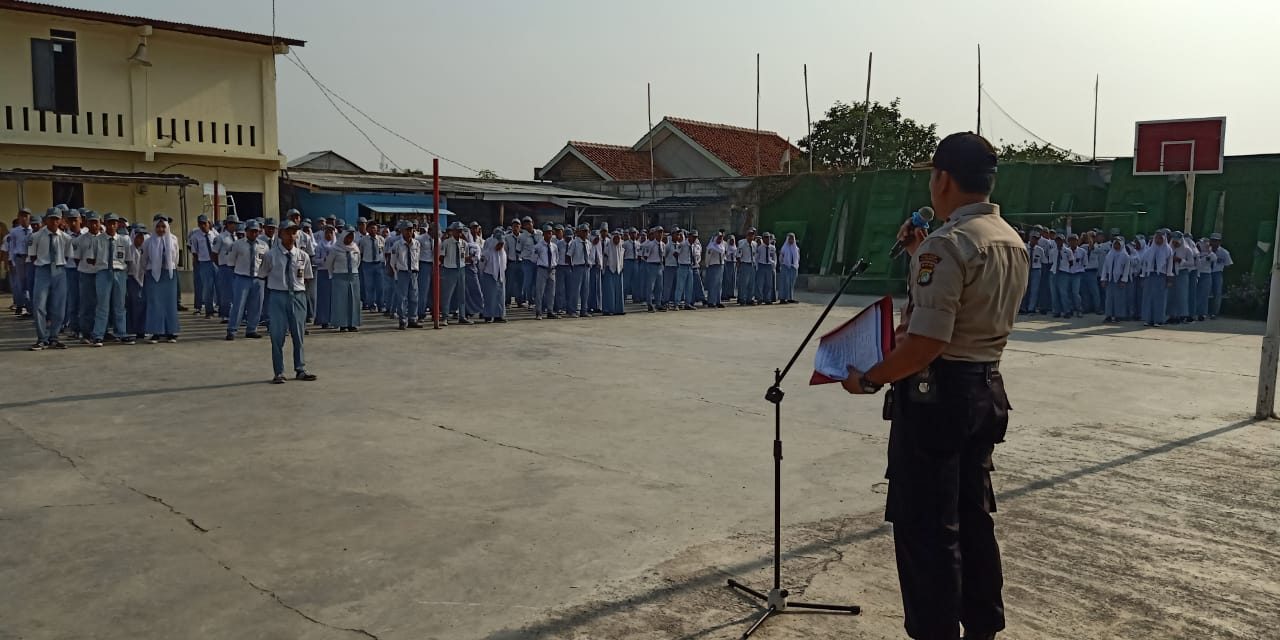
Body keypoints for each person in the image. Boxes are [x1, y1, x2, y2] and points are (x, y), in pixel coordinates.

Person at [842, 132, 1025, 640]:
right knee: (972, 517)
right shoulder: (1005, 237)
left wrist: (871, 378)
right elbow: (963, 310)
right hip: (985, 388)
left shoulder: (949, 245)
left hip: (937, 397)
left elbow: (926, 343)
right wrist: (920, 253)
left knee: (926, 529)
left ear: (942, 179)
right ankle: (983, 626)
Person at [260, 221, 317, 383]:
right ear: (281, 234)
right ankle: (279, 372)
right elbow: (263, 274)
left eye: (294, 232)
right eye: (288, 232)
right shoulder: (271, 255)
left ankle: (300, 368)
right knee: (277, 335)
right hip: (278, 296)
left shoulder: (302, 255)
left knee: (298, 334)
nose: (292, 236)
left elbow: (306, 278)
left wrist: (299, 294)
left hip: (298, 296)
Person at [27, 208, 72, 350]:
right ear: (46, 220)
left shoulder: (66, 238)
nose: (54, 221)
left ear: (61, 220)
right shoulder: (36, 236)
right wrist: (44, 264)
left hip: (59, 270)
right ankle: (42, 338)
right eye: (51, 218)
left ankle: (54, 336)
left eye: (56, 219)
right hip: (43, 270)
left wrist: (57, 264)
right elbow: (32, 256)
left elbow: (66, 256)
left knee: (59, 306)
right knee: (39, 305)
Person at [89, 214, 132, 346]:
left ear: (118, 224)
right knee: (102, 305)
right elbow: (90, 258)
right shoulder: (97, 239)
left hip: (119, 272)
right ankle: (98, 335)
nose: (112, 226)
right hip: (103, 273)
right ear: (105, 223)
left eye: (115, 223)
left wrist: (123, 272)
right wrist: (101, 264)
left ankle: (122, 333)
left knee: (120, 305)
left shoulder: (124, 240)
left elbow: (129, 259)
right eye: (109, 223)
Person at [141, 216, 181, 343]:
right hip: (153, 274)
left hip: (169, 274)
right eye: (158, 226)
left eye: (163, 226)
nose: (161, 229)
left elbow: (176, 258)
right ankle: (156, 332)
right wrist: (150, 270)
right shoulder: (148, 241)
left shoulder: (173, 239)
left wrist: (170, 268)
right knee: (155, 303)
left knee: (170, 303)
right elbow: (144, 259)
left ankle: (171, 332)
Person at [227, 220, 268, 340]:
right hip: (242, 277)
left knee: (256, 305)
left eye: (256, 231)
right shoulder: (238, 244)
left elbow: (267, 262)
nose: (254, 233)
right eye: (251, 231)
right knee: (238, 305)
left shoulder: (263, 245)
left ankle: (252, 329)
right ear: (246, 231)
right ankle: (232, 330)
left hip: (258, 278)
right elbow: (231, 262)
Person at [325, 227, 362, 332]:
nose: (349, 239)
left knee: (353, 300)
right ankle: (342, 324)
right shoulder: (335, 248)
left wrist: (354, 271)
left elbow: (358, 261)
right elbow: (329, 264)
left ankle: (352, 323)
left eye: (351, 237)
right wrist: (332, 275)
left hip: (353, 276)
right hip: (339, 276)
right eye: (347, 236)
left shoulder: (355, 248)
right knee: (341, 302)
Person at [74, 212, 103, 341]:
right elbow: (76, 258)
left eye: (96, 222)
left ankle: (101, 330)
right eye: (91, 222)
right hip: (86, 274)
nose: (94, 224)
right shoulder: (80, 239)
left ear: (100, 222)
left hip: (101, 274)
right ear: (86, 223)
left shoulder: (104, 238)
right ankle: (86, 331)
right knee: (86, 304)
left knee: (101, 304)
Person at [389, 220, 423, 330]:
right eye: (407, 230)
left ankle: (413, 318)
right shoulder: (397, 245)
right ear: (402, 231)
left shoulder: (416, 243)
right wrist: (396, 273)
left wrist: (416, 270)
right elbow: (393, 261)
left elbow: (417, 258)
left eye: (411, 229)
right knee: (402, 298)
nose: (409, 232)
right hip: (402, 272)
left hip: (413, 272)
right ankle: (402, 320)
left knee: (414, 297)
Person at [439, 221, 471, 325]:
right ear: (452, 231)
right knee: (447, 295)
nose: (459, 233)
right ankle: (445, 316)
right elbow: (441, 257)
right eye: (457, 230)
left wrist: (470, 259)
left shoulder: (464, 243)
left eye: (461, 231)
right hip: (449, 269)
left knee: (462, 294)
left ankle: (462, 316)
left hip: (461, 269)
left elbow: (465, 256)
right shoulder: (446, 243)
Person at [1141, 230, 1174, 327]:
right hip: (1150, 275)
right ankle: (1148, 319)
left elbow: (1169, 265)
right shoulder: (1150, 250)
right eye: (1156, 238)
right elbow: (1144, 264)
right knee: (1148, 297)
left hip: (1161, 276)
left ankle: (1158, 319)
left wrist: (1169, 278)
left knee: (1160, 299)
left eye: (1160, 238)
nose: (1158, 240)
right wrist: (1143, 276)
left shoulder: (1168, 250)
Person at [188, 214, 218, 317]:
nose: (203, 226)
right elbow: (194, 252)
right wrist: (197, 265)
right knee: (207, 287)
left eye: (204, 223)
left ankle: (218, 308)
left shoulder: (214, 234)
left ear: (208, 223)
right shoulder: (195, 236)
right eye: (200, 224)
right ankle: (208, 310)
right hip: (204, 263)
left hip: (215, 262)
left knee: (217, 286)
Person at [216, 215, 241, 323]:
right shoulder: (221, 237)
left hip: (235, 267)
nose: (235, 226)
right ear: (228, 225)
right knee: (225, 292)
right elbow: (214, 253)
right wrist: (220, 264)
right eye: (233, 224)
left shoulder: (236, 237)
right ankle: (225, 314)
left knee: (234, 292)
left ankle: (232, 313)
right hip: (224, 266)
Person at [1099, 236, 1130, 323]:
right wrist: (1103, 278)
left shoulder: (1125, 256)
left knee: (1119, 298)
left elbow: (1126, 269)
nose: (1116, 246)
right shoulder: (1109, 254)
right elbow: (1105, 267)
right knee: (1109, 298)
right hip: (1110, 279)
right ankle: (1108, 315)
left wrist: (1123, 280)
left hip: (1119, 279)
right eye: (1115, 244)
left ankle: (1118, 315)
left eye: (1118, 244)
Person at [480, 230, 509, 323]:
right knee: (490, 296)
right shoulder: (487, 253)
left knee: (500, 296)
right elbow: (481, 266)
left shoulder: (503, 253)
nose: (500, 246)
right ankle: (488, 315)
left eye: (502, 244)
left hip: (500, 276)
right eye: (499, 244)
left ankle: (499, 315)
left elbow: (504, 265)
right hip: (489, 275)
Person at [532, 224, 559, 319]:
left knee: (551, 292)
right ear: (543, 234)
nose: (549, 235)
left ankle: (550, 311)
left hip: (552, 270)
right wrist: (541, 264)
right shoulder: (538, 246)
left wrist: (553, 265)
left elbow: (556, 257)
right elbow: (534, 258)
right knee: (540, 292)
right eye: (547, 233)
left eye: (550, 233)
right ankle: (538, 312)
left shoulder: (554, 246)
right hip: (542, 269)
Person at [126, 225, 148, 339]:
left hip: (144, 279)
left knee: (143, 305)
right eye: (138, 237)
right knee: (133, 305)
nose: (140, 240)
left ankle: (142, 330)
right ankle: (132, 329)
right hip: (132, 280)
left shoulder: (145, 250)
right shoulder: (129, 249)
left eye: (142, 237)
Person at [358, 220, 385, 311]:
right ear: (368, 229)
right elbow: (360, 253)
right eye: (371, 228)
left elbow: (384, 252)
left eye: (375, 227)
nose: (373, 229)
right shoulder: (363, 240)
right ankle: (371, 305)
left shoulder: (381, 239)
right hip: (367, 264)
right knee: (369, 286)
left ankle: (381, 305)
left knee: (380, 286)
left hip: (379, 264)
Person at [601, 230, 626, 315]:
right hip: (609, 270)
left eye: (618, 238)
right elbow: (604, 260)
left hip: (618, 271)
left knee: (619, 291)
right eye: (615, 238)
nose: (617, 240)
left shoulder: (621, 248)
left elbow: (621, 260)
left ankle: (619, 309)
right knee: (609, 291)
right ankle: (608, 309)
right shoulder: (607, 248)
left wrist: (621, 268)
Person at [1208, 233, 1232, 319]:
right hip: (1206, 272)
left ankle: (1214, 313)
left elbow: (1228, 264)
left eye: (1216, 241)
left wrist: (1220, 264)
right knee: (1204, 292)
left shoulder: (1224, 252)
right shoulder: (1206, 250)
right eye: (1212, 240)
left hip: (1217, 273)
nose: (1214, 243)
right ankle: (1202, 311)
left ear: (1220, 242)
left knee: (1217, 293)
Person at [704, 231, 727, 309]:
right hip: (713, 266)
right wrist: (707, 265)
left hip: (721, 265)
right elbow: (707, 257)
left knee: (719, 285)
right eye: (719, 237)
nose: (720, 239)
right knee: (713, 285)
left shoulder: (722, 245)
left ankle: (718, 301)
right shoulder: (711, 246)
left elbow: (724, 254)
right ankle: (711, 301)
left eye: (721, 238)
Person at [1194, 237, 1215, 321]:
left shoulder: (1210, 253)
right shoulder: (1197, 252)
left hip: (1206, 275)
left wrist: (1209, 252)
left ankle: (1202, 313)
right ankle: (1194, 313)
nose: (1204, 245)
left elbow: (1214, 258)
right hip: (1197, 274)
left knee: (1204, 295)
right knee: (1196, 295)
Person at [755, 232, 778, 304]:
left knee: (769, 284)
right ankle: (760, 298)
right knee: (760, 283)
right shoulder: (760, 247)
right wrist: (757, 267)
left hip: (769, 266)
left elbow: (774, 257)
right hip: (761, 265)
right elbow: (757, 258)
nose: (767, 239)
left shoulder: (772, 247)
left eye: (768, 237)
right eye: (765, 237)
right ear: (763, 238)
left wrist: (774, 265)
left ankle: (767, 298)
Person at [778, 232, 800, 304]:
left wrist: (796, 265)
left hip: (793, 267)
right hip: (785, 267)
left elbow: (798, 258)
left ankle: (790, 298)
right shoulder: (784, 248)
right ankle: (782, 298)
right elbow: (781, 258)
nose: (791, 240)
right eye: (790, 239)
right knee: (785, 283)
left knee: (791, 283)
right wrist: (783, 265)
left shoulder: (796, 248)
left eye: (792, 239)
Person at [737, 229, 758, 305]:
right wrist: (739, 265)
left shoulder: (754, 244)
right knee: (744, 283)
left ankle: (750, 299)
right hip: (744, 264)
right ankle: (742, 299)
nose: (751, 236)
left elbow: (755, 254)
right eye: (749, 234)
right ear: (747, 235)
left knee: (751, 283)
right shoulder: (742, 244)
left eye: (752, 235)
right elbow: (738, 256)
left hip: (752, 264)